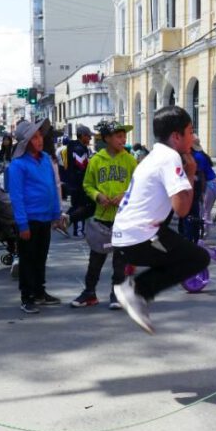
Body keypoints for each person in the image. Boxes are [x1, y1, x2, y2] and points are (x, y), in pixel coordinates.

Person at [111, 106, 211, 334]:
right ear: (176, 137)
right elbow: (182, 209)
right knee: (198, 258)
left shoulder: (153, 156)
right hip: (139, 237)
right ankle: (135, 290)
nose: (193, 137)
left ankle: (137, 292)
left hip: (127, 235)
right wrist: (192, 173)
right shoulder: (170, 158)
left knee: (183, 254)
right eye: (190, 131)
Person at [70, 121, 137, 309]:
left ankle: (117, 294)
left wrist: (125, 194)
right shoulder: (96, 160)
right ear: (107, 138)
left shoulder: (130, 160)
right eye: (118, 136)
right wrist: (97, 195)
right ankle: (90, 293)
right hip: (101, 218)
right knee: (96, 259)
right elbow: (87, 185)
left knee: (120, 261)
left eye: (124, 136)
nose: (123, 139)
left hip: (123, 218)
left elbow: (138, 185)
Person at [7, 120, 66, 313]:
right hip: (29, 220)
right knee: (28, 260)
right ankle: (27, 296)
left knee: (41, 258)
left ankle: (40, 292)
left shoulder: (46, 159)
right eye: (34, 137)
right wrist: (22, 224)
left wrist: (57, 214)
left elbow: (53, 187)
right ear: (25, 142)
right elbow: (16, 196)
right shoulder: (18, 165)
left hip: (45, 218)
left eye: (40, 135)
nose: (39, 140)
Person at [65, 125, 95, 236]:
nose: (90, 139)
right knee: (81, 206)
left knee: (77, 205)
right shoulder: (78, 148)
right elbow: (82, 165)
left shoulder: (74, 146)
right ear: (82, 136)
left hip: (75, 182)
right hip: (79, 182)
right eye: (88, 136)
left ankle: (65, 220)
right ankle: (77, 230)